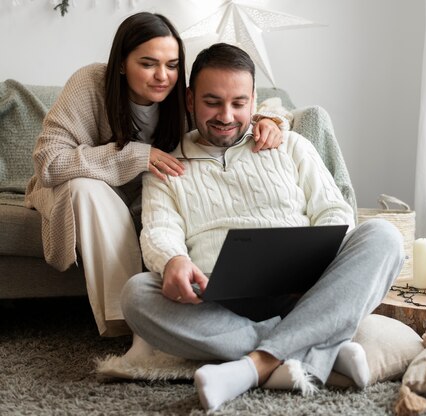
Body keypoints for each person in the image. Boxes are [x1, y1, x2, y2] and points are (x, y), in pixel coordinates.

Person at [120, 43, 405, 411]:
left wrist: (318, 254)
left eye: (239, 103)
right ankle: (319, 347)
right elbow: (159, 229)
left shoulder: (291, 145)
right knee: (136, 294)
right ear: (189, 99)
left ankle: (255, 365)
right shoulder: (166, 165)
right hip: (220, 304)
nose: (226, 115)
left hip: (307, 289)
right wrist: (173, 259)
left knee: (384, 236)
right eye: (213, 102)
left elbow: (335, 210)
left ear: (255, 101)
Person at [24, 12, 286, 338]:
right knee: (85, 188)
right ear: (122, 63)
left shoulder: (180, 96)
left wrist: (268, 122)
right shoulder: (89, 83)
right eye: (148, 64)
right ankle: (126, 322)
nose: (163, 76)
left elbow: (225, 112)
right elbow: (49, 162)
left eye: (172, 65)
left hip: (138, 197)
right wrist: (138, 155)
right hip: (79, 191)